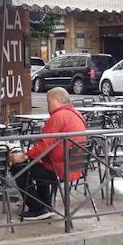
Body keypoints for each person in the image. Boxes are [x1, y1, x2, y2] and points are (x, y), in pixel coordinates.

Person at [7, 87, 86, 221]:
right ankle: (45, 206)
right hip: (75, 168)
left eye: (48, 102)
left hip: (60, 169)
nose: (48, 106)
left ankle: (37, 208)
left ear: (56, 101)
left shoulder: (59, 116)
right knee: (38, 164)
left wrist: (24, 156)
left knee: (19, 168)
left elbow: (45, 144)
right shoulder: (76, 114)